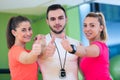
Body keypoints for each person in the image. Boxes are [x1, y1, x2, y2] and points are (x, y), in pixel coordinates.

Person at [61, 12, 112, 80]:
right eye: (85, 25)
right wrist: (78, 57)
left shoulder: (99, 47)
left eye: (92, 25)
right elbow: (86, 75)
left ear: (101, 28)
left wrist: (71, 48)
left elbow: (85, 51)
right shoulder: (88, 51)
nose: (87, 29)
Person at [37, 4, 80, 80]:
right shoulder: (41, 42)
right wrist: (45, 55)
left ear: (66, 19)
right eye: (53, 19)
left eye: (60, 18)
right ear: (47, 21)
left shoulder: (77, 43)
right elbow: (35, 58)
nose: (57, 22)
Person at [6, 16, 42, 80]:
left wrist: (42, 43)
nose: (28, 33)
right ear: (14, 32)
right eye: (23, 30)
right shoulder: (15, 50)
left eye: (29, 29)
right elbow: (27, 59)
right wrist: (35, 49)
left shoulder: (28, 52)